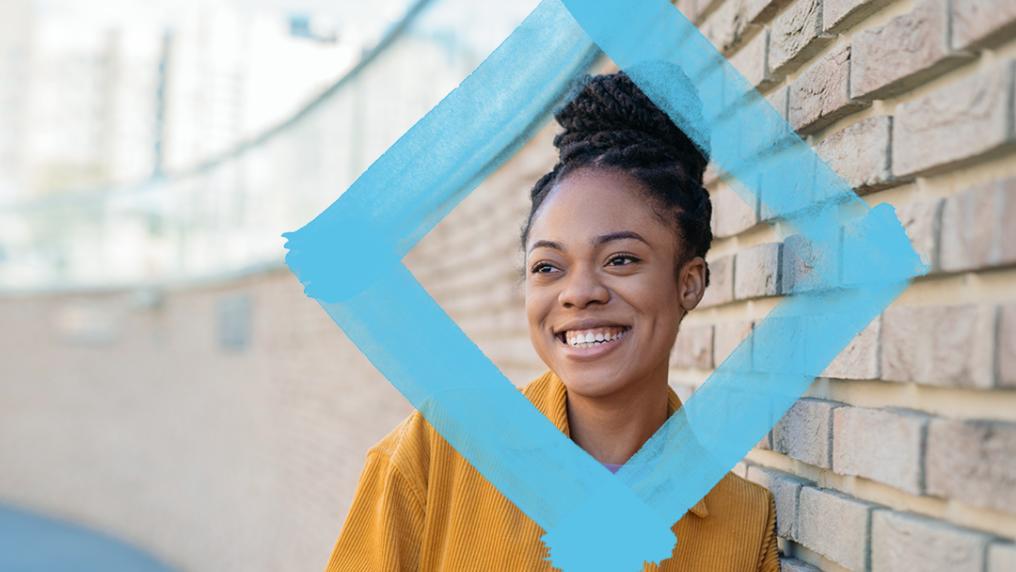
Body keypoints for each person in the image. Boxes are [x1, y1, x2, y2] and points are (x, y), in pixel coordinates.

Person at [324, 67, 780, 571]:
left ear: (688, 282)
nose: (579, 293)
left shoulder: (743, 521)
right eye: (548, 267)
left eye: (621, 259)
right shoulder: (437, 453)